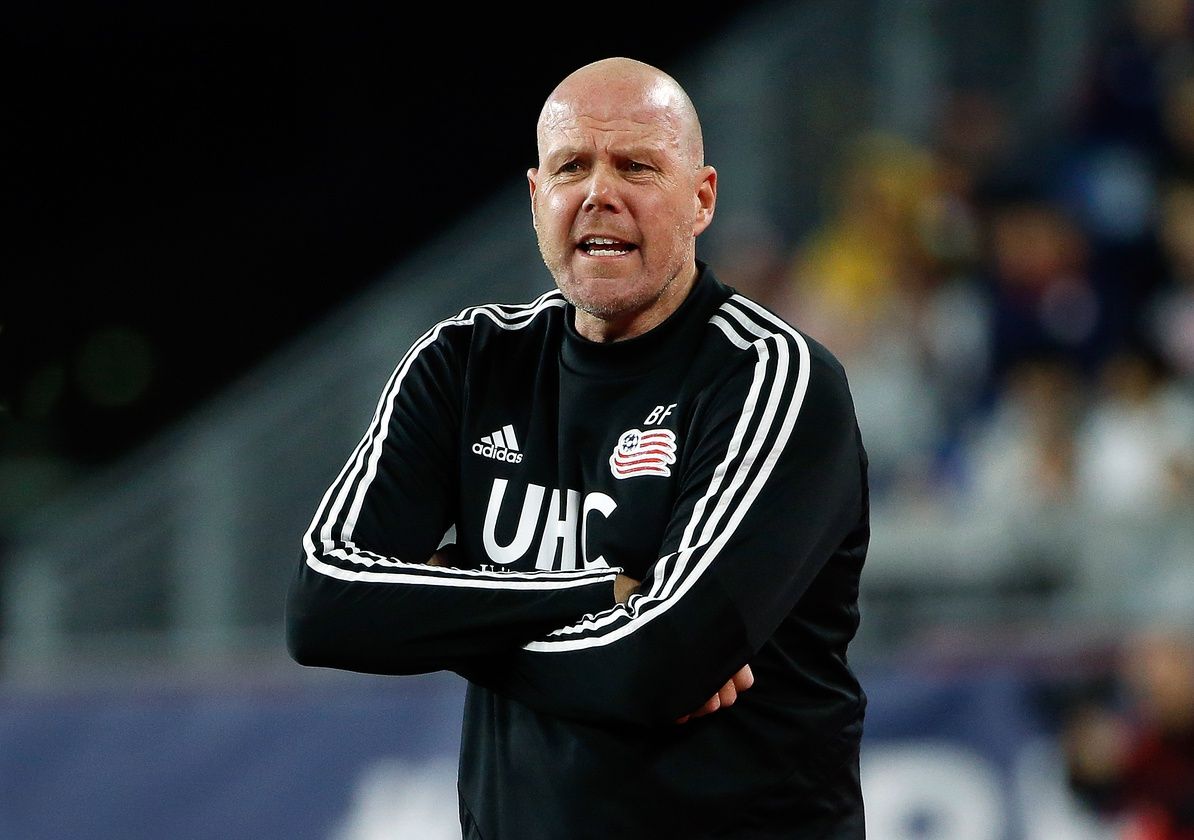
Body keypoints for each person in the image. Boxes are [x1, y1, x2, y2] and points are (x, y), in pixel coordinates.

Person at [286, 56, 870, 839]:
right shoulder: (466, 363)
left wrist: (445, 601)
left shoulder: (770, 377)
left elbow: (661, 664)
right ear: (537, 199)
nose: (600, 193)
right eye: (571, 167)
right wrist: (605, 597)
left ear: (701, 199)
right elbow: (324, 607)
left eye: (636, 166)